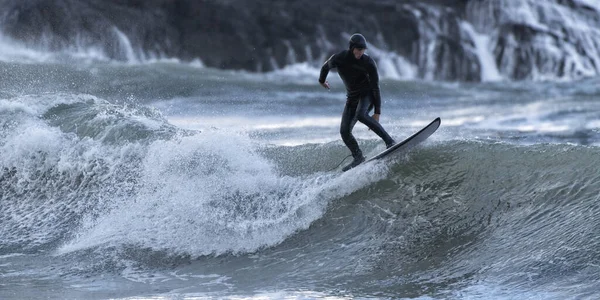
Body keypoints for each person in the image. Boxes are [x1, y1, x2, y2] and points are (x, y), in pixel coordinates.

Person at [319, 33, 395, 171]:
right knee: (344, 131)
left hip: (367, 95)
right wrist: (321, 81)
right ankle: (358, 157)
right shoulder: (339, 58)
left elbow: (376, 87)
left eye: (363, 50)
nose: (361, 52)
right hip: (352, 98)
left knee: (361, 115)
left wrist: (377, 112)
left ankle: (390, 142)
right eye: (358, 49)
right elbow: (325, 67)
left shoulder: (368, 62)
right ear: (352, 48)